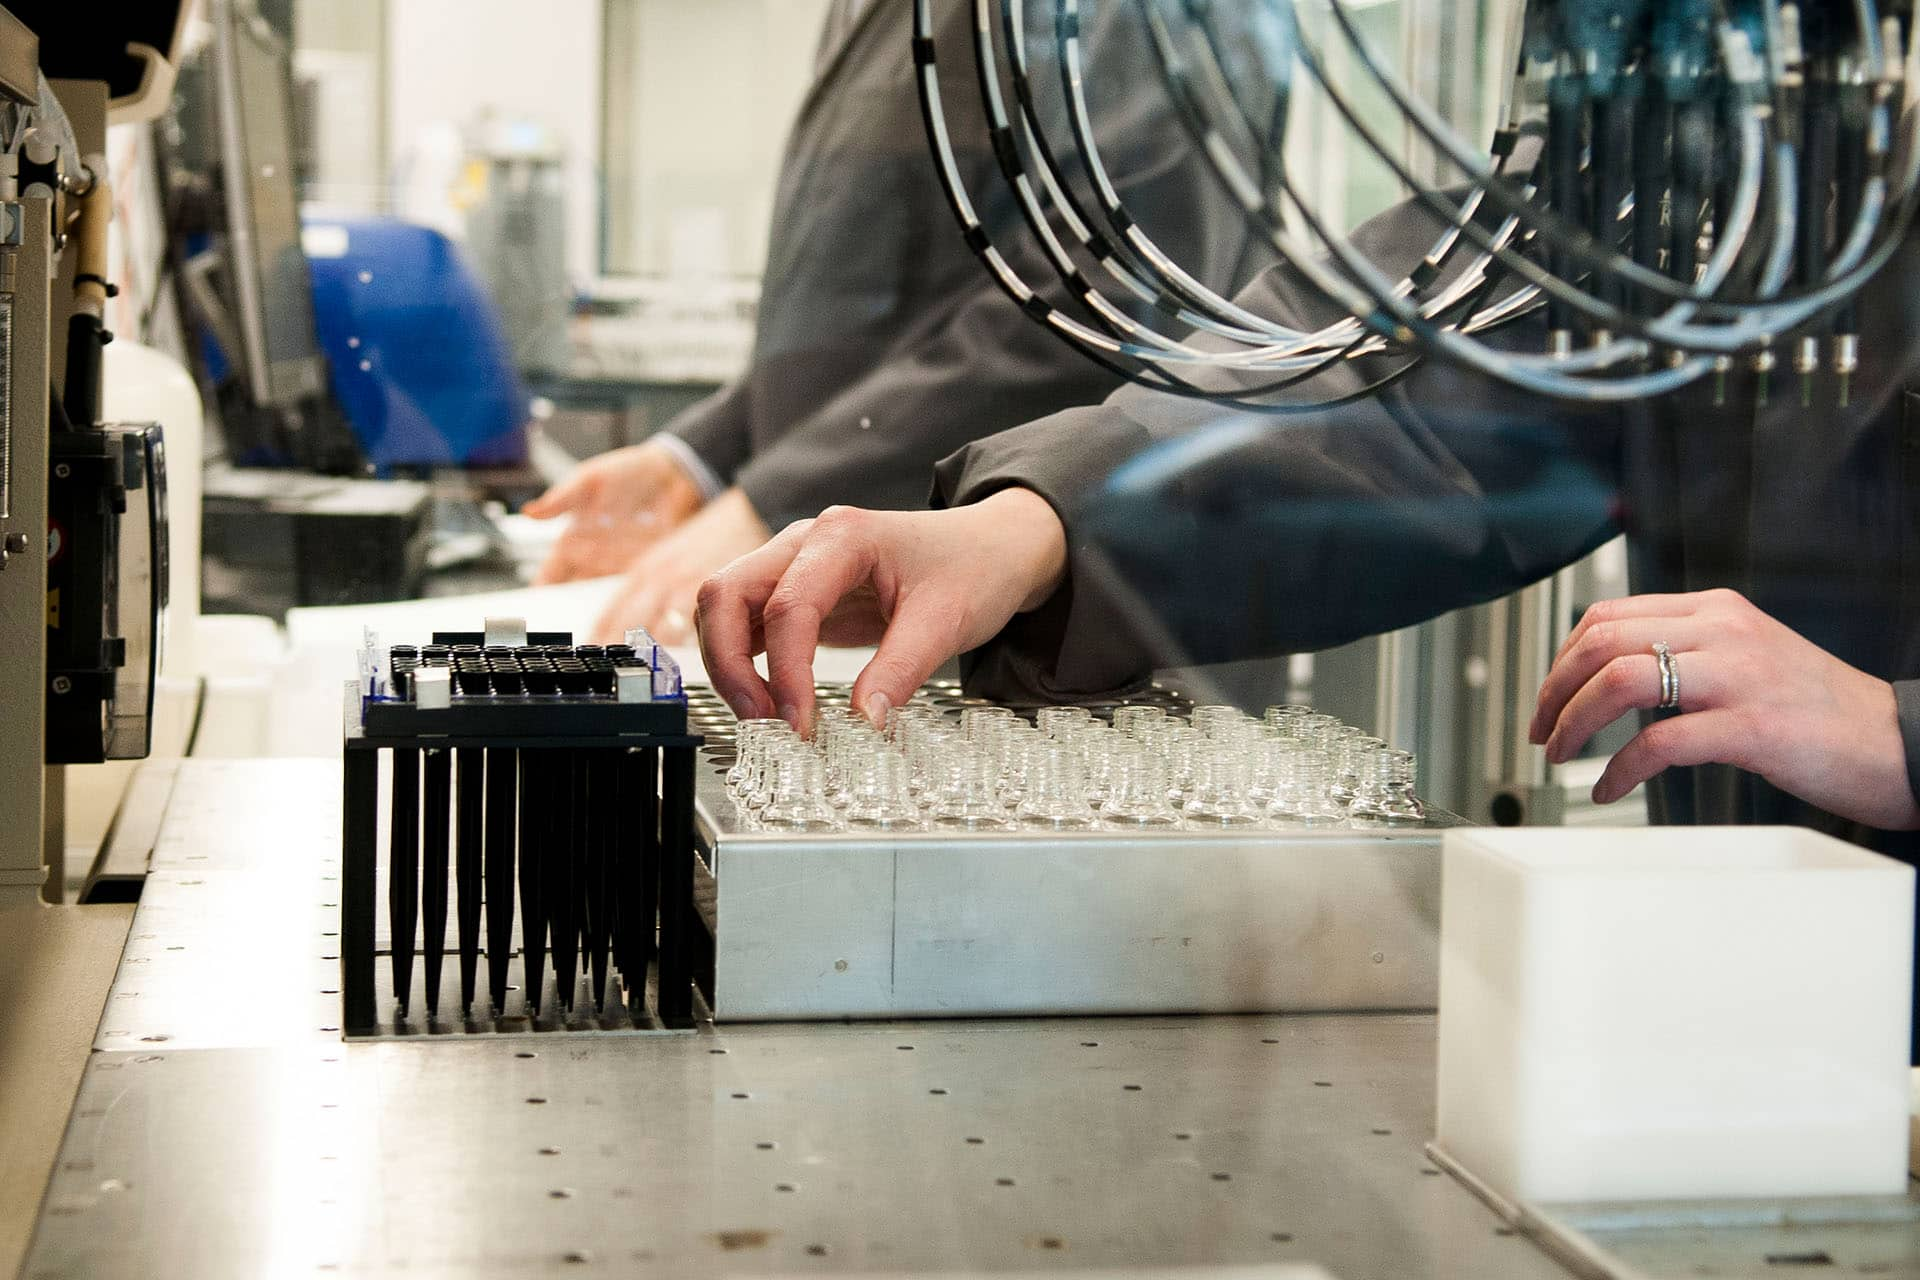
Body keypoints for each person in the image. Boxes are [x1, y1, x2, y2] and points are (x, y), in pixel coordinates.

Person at [694, 193, 1920, 848]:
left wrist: (1900, 728)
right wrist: (1045, 515)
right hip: (1776, 1007)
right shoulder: (1750, 168)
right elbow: (1433, 382)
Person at [524, 0, 1262, 642]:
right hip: (873, 607)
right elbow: (859, 308)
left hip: (1047, 628)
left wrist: (780, 500)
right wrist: (698, 458)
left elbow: (1102, 301)